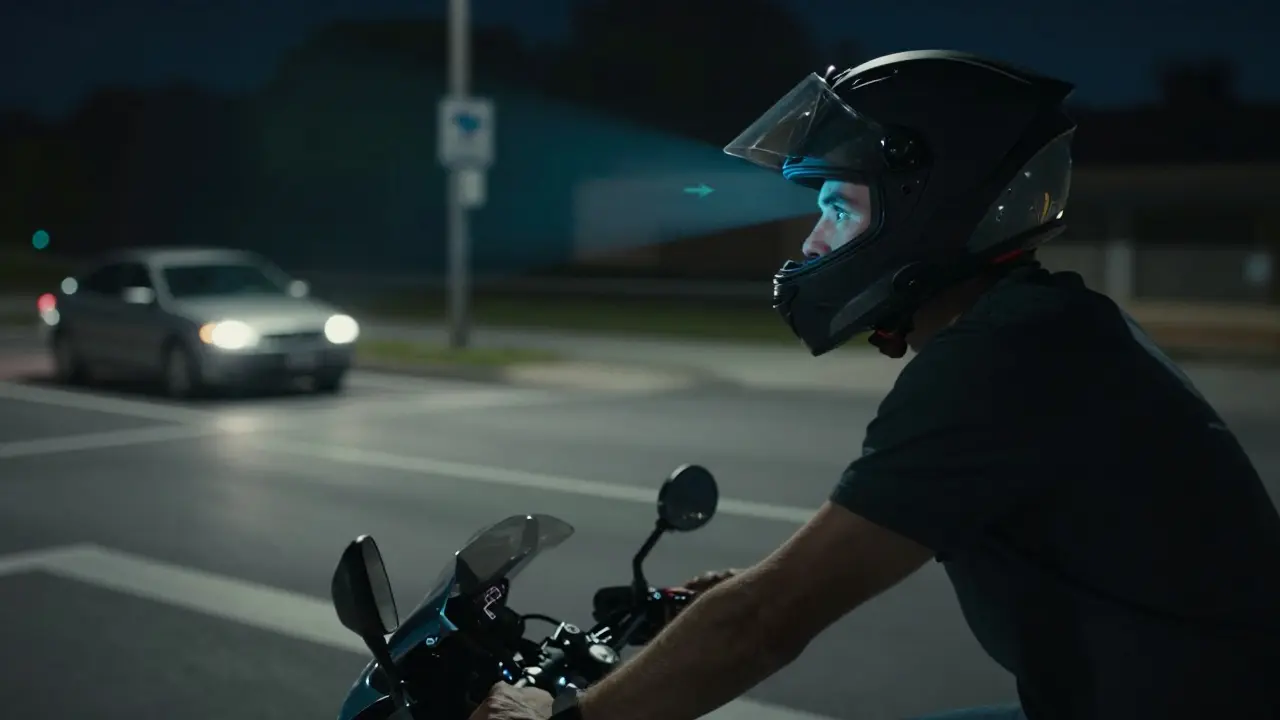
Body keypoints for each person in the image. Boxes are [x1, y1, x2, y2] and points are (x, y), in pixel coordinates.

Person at [468, 50, 1280, 720]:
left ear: (928, 207)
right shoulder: (1048, 327)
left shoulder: (1000, 362)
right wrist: (725, 596)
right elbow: (864, 549)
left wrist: (567, 719)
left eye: (838, 207)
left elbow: (768, 621)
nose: (815, 239)